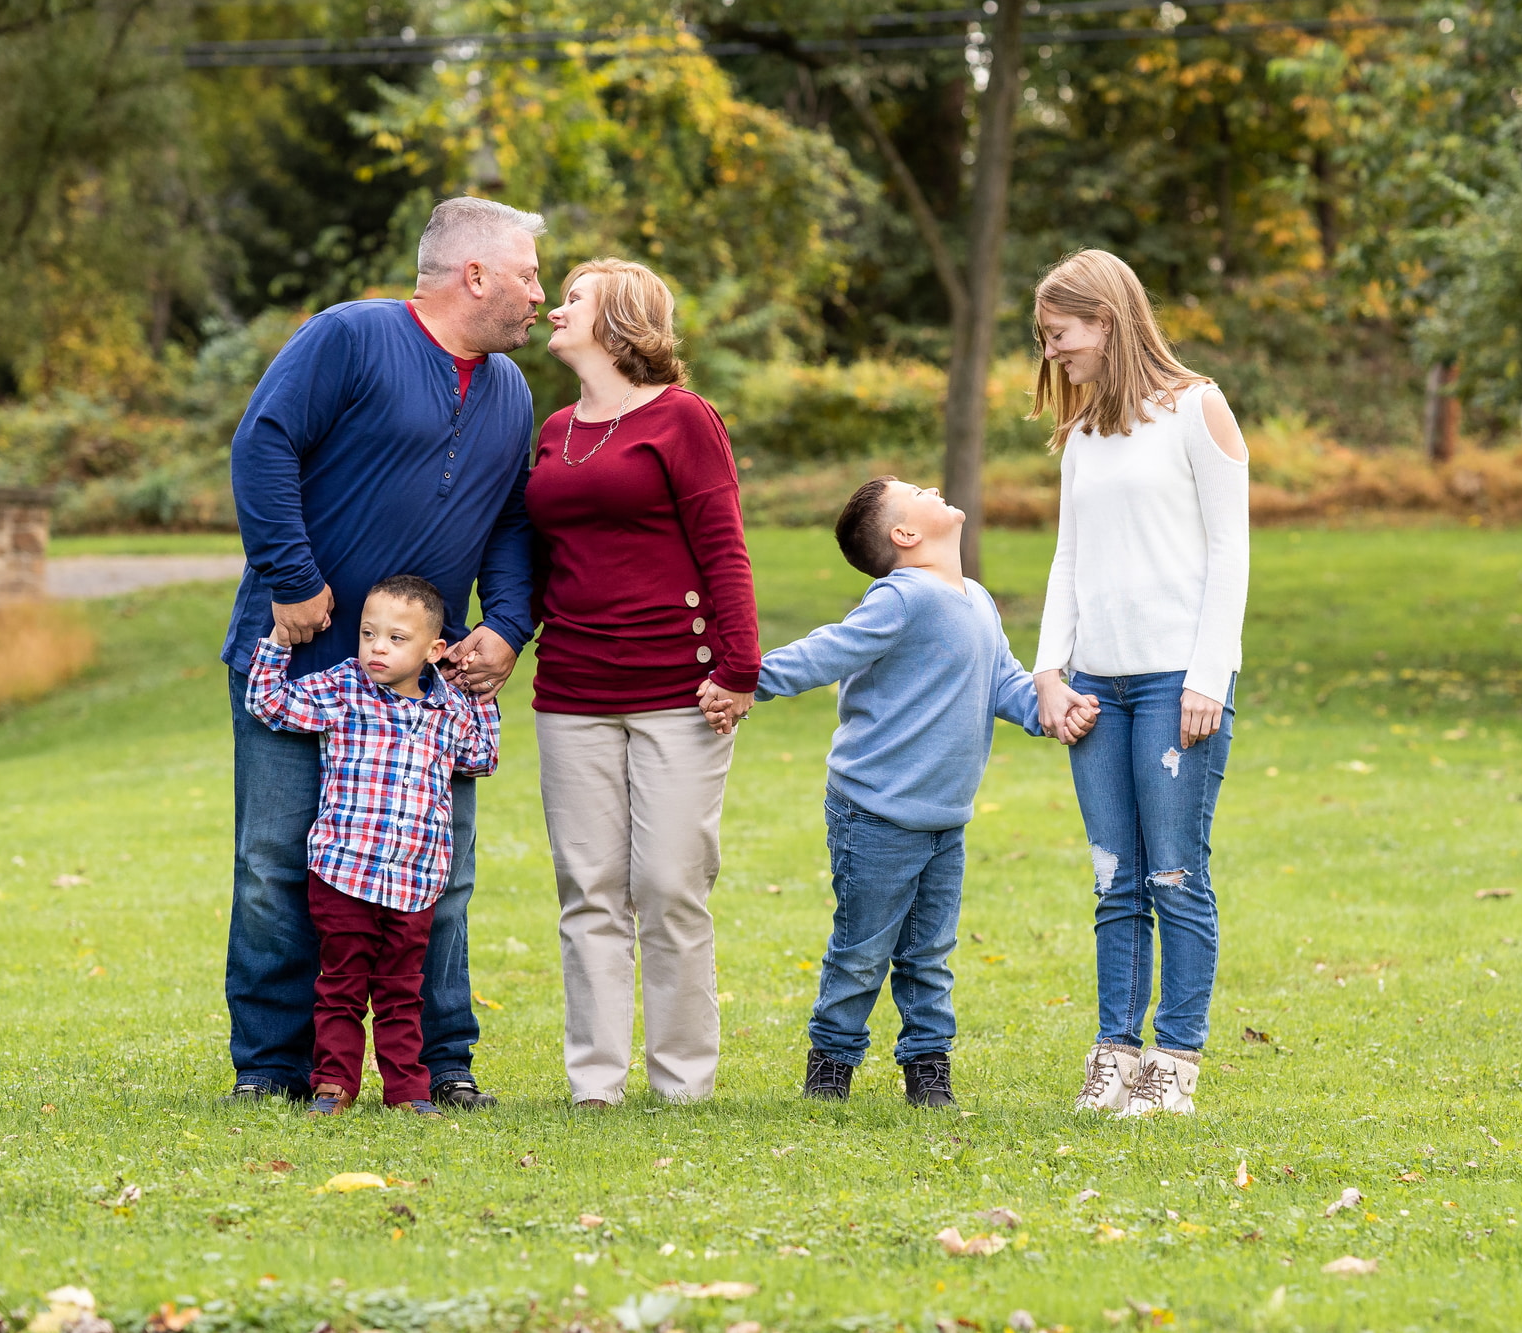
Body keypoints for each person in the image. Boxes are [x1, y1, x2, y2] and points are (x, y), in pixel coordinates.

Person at [218, 196, 546, 1110]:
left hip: (430, 686)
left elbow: (513, 522)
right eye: (527, 274)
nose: (538, 295)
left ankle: (444, 1064)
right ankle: (273, 1066)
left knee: (438, 870)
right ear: (473, 275)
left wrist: (509, 625)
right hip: (303, 660)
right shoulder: (350, 337)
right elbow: (264, 442)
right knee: (275, 862)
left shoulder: (512, 392)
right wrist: (291, 577)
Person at [711, 477, 1094, 1107]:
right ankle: (831, 1065)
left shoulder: (976, 599)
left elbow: (1003, 681)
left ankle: (927, 1070)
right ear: (905, 535)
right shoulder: (901, 598)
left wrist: (1052, 710)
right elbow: (827, 651)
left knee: (930, 954)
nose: (936, 486)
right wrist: (747, 679)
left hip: (944, 816)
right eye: (918, 490)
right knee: (862, 951)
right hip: (876, 812)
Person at [525, 258, 759, 1107]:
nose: (556, 306)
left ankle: (684, 1082)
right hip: (573, 685)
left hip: (680, 687)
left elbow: (724, 545)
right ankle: (596, 1083)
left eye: (575, 297)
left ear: (621, 318)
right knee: (586, 889)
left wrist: (739, 667)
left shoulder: (684, 418)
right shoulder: (553, 429)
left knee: (667, 884)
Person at [1027, 248, 1250, 1117]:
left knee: (1174, 874)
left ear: (1107, 322)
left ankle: (1174, 1062)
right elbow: (1068, 559)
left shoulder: (1198, 408)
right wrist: (1048, 670)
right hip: (1096, 688)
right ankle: (1113, 1051)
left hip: (1175, 685)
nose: (1052, 353)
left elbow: (1231, 550)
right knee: (1113, 878)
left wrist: (1208, 674)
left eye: (1060, 334)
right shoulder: (1081, 436)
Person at [245, 577, 499, 1117]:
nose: (377, 648)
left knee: (401, 991)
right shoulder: (343, 690)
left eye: (396, 639)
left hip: (415, 880)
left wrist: (480, 696)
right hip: (345, 873)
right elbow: (268, 704)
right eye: (368, 634)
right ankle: (333, 1084)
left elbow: (479, 758)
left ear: (433, 651)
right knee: (339, 984)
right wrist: (278, 642)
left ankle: (406, 1090)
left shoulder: (448, 709)